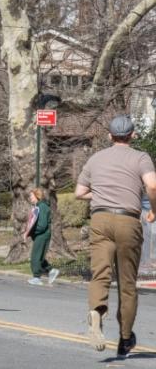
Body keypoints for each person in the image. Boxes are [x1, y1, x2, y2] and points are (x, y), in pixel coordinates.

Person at [75, 115, 156, 357]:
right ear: (133, 135)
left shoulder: (96, 159)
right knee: (127, 284)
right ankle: (125, 339)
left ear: (109, 136)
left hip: (100, 219)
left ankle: (96, 312)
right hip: (127, 220)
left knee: (100, 274)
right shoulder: (140, 157)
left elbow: (80, 192)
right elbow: (152, 186)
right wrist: (153, 209)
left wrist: (99, 195)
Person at [26, 188, 58, 286]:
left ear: (37, 196)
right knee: (39, 256)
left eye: (31, 196)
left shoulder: (42, 207)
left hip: (42, 235)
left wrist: (33, 232)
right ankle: (51, 270)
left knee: (35, 256)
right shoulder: (38, 206)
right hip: (40, 234)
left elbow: (42, 225)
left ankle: (37, 277)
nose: (30, 198)